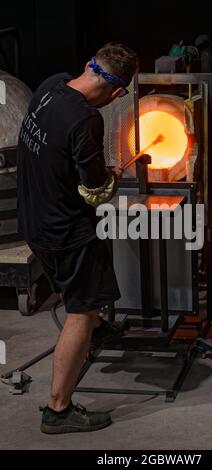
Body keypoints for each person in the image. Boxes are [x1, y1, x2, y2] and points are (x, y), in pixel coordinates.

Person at [17, 42, 138, 434]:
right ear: (118, 92)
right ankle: (58, 408)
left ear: (89, 64)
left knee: (87, 286)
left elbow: (56, 154)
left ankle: (98, 330)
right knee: (80, 310)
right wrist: (113, 177)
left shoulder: (51, 85)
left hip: (34, 220)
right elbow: (94, 189)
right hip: (64, 230)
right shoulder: (86, 120)